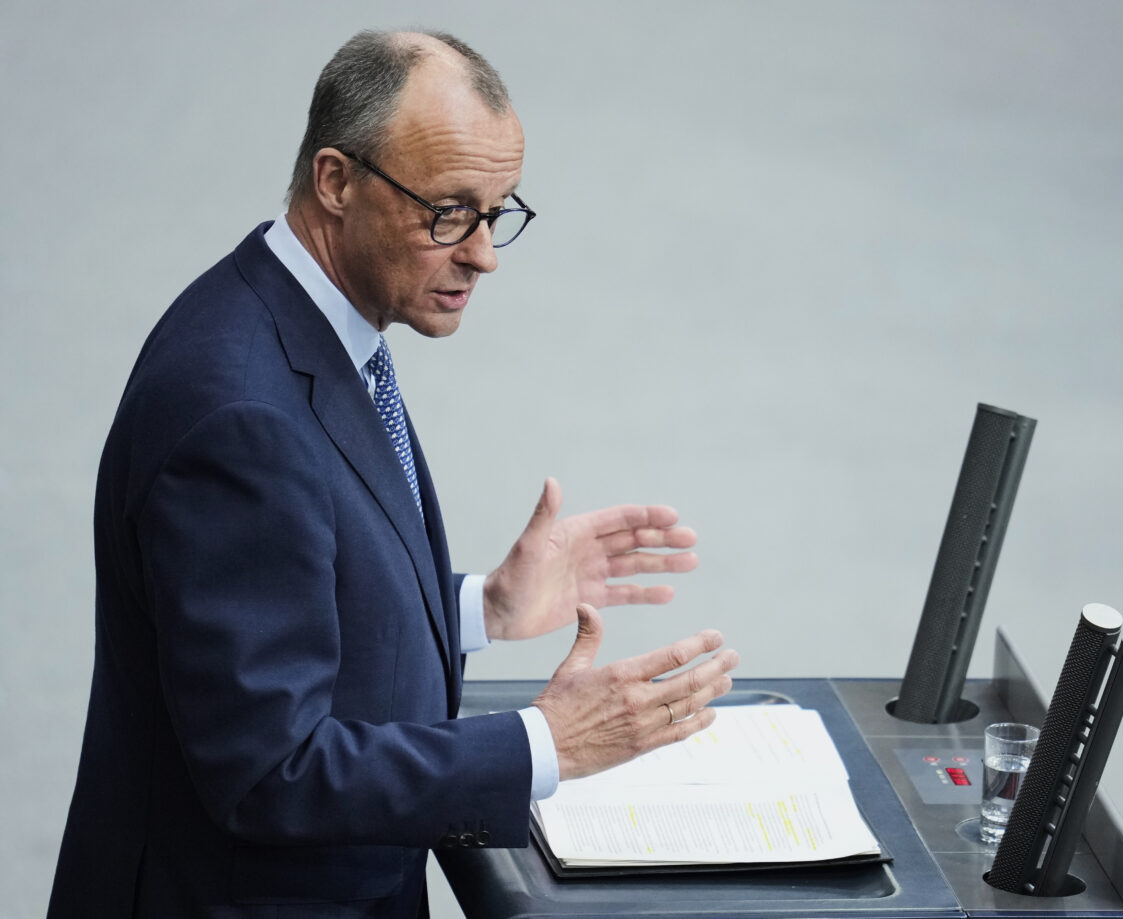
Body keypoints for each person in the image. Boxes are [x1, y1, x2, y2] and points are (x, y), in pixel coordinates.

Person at [47, 29, 738, 919]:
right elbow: (270, 770)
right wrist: (546, 742)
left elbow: (287, 589)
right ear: (336, 182)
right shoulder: (240, 413)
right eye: (447, 212)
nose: (482, 253)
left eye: (497, 212)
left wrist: (475, 608)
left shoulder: (314, 321)